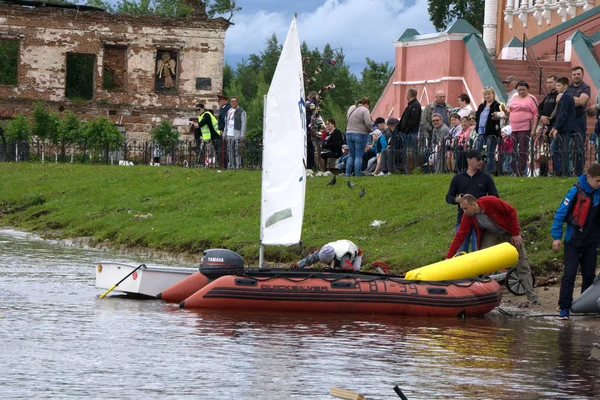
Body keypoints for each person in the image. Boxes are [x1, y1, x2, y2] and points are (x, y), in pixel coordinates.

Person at [446, 194, 538, 303]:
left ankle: (530, 293)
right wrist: (449, 257)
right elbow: (460, 235)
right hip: (491, 234)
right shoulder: (468, 216)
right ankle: (479, 291)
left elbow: (511, 211)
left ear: (474, 204)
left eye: (466, 208)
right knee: (483, 261)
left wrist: (515, 233)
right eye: (462, 209)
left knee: (522, 260)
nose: (464, 212)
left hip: (508, 231)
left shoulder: (491, 202)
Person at [551, 163, 600, 320]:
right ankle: (564, 308)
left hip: (591, 241)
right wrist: (556, 237)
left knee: (589, 275)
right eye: (598, 181)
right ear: (589, 178)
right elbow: (560, 214)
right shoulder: (574, 191)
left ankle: (586, 307)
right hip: (573, 240)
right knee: (569, 274)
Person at [446, 149, 498, 254]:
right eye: (478, 159)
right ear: (469, 160)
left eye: (482, 159)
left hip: (479, 219)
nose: (481, 162)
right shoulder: (458, 178)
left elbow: (495, 197)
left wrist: (483, 205)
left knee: (478, 251)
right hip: (462, 218)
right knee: (460, 251)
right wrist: (457, 200)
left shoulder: (486, 178)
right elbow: (449, 196)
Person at [505, 81, 538, 176]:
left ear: (527, 89)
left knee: (522, 150)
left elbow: (535, 114)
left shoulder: (531, 98)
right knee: (513, 149)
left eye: (523, 89)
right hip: (514, 127)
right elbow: (509, 112)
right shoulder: (513, 98)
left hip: (525, 127)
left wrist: (533, 129)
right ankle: (514, 170)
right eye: (519, 90)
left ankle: (521, 171)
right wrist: (504, 110)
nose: (521, 91)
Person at [550, 77, 577, 177]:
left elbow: (563, 113)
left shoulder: (566, 96)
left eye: (559, 85)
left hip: (565, 128)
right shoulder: (565, 95)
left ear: (565, 86)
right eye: (556, 85)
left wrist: (556, 127)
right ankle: (561, 170)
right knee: (557, 148)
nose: (557, 87)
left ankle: (563, 170)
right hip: (562, 127)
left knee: (563, 150)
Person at [475, 87, 501, 174]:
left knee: (490, 152)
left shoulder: (496, 105)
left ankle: (490, 171)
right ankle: (477, 169)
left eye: (489, 94)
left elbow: (499, 117)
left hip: (491, 132)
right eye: (485, 94)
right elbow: (477, 117)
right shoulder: (481, 106)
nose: (487, 96)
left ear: (493, 94)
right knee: (477, 151)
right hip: (481, 131)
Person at [345, 97, 373, 177]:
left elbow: (348, 118)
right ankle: (357, 174)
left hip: (349, 133)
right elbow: (368, 123)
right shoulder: (365, 110)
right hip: (360, 134)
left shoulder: (351, 108)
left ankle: (347, 173)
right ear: (366, 104)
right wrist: (370, 129)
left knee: (351, 155)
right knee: (358, 155)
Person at [294, 240, 362, 270]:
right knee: (329, 269)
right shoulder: (324, 251)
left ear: (330, 259)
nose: (323, 263)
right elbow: (310, 259)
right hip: (340, 246)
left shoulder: (344, 258)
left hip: (354, 251)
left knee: (356, 269)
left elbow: (349, 272)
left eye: (325, 262)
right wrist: (297, 265)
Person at [223, 96, 246, 169]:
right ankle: (231, 165)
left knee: (237, 151)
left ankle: (238, 166)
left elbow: (244, 123)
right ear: (230, 103)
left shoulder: (241, 111)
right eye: (232, 101)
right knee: (230, 151)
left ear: (237, 102)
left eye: (235, 101)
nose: (234, 102)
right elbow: (226, 123)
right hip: (229, 133)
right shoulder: (229, 111)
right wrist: (224, 133)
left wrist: (242, 135)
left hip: (237, 133)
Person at [569, 66, 591, 140]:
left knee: (578, 146)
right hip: (567, 119)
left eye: (578, 74)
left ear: (583, 74)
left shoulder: (586, 88)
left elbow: (582, 101)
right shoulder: (568, 88)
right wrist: (575, 99)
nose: (576, 76)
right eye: (574, 74)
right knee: (565, 146)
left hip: (579, 119)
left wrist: (568, 100)